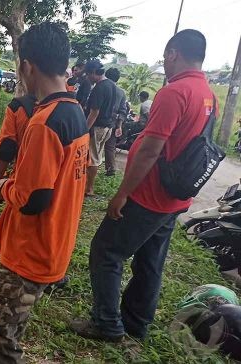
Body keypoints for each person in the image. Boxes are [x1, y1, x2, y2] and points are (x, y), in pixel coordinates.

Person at [70, 29, 216, 342]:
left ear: (174, 53)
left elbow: (151, 148)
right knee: (150, 261)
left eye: (165, 56)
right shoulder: (207, 93)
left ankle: (106, 324)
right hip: (174, 198)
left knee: (106, 251)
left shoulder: (174, 92)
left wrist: (122, 194)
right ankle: (136, 323)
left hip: (149, 196)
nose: (164, 63)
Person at [0, 22, 89, 363]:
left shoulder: (44, 123)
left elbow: (35, 199)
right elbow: (43, 183)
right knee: (10, 328)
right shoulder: (74, 111)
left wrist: (0, 186)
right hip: (53, 243)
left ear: (27, 66)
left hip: (29, 252)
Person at [84, 59, 118, 196]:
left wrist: (85, 129)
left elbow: (94, 111)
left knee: (93, 158)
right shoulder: (111, 84)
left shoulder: (99, 87)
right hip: (107, 127)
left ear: (93, 72)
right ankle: (87, 186)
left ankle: (89, 189)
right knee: (96, 156)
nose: (87, 77)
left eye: (88, 74)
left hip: (98, 127)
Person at [0, 93, 37, 181]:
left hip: (25, 178)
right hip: (65, 185)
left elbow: (6, 149)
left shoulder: (16, 107)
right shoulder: (70, 106)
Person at [104, 68, 128, 176]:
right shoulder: (121, 92)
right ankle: (111, 168)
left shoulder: (102, 87)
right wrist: (119, 126)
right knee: (110, 146)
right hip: (113, 123)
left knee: (93, 145)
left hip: (100, 122)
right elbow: (123, 110)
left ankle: (90, 165)